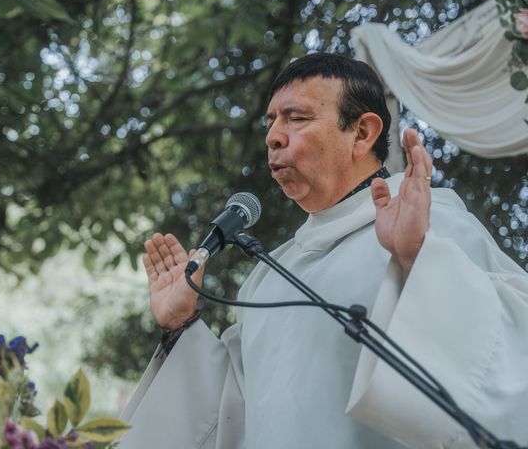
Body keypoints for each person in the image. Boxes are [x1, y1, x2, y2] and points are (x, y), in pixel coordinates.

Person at [117, 53, 528, 449]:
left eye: (297, 118)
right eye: (271, 122)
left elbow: (507, 361)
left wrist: (418, 258)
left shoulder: (431, 224)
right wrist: (182, 326)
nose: (273, 137)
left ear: (362, 133)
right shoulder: (269, 275)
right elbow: (233, 413)